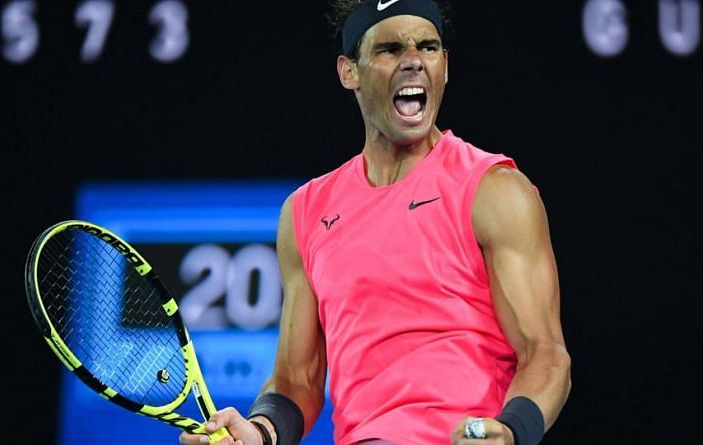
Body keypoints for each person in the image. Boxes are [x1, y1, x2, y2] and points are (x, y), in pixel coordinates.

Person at [180, 1, 570, 444]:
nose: (413, 61)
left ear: (445, 65)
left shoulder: (495, 191)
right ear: (349, 72)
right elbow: (297, 380)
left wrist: (511, 431)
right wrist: (260, 432)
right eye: (389, 49)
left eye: (428, 46)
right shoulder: (306, 212)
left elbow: (546, 355)